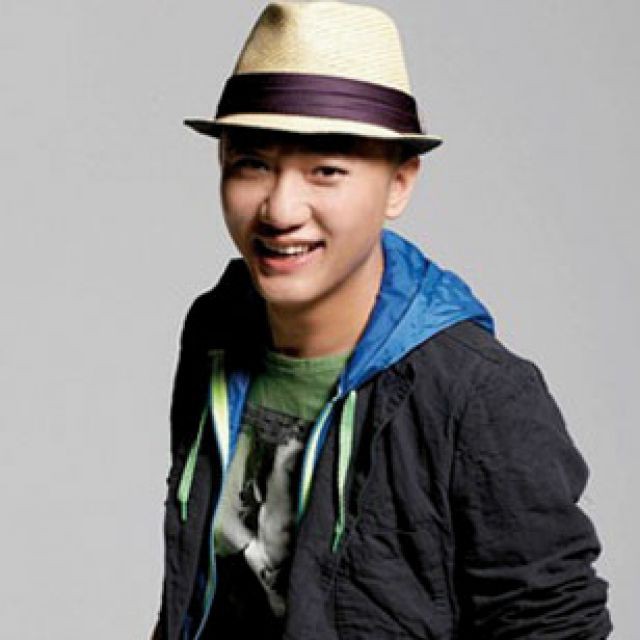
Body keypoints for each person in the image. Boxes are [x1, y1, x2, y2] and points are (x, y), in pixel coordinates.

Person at [152, 2, 611, 638]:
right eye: (253, 163)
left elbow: (554, 622)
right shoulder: (216, 331)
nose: (280, 209)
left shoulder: (476, 393)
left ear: (399, 184)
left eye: (326, 171)